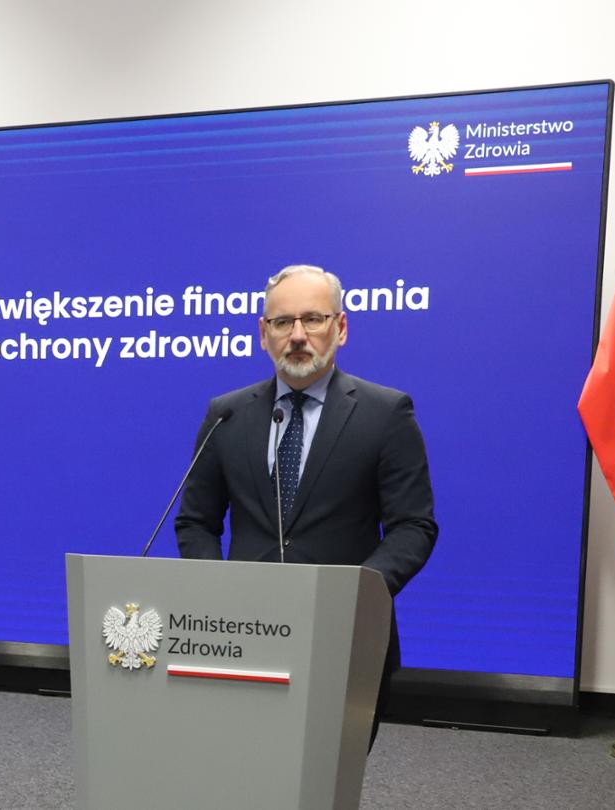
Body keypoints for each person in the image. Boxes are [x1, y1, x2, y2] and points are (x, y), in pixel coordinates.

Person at [173, 264, 437, 746]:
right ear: (263, 334)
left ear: (341, 327)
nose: (297, 335)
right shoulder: (226, 415)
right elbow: (195, 521)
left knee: (327, 772)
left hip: (345, 634)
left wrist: (357, 593)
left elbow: (413, 526)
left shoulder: (386, 413)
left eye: (313, 319)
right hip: (241, 632)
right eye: (282, 322)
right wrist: (216, 592)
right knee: (241, 766)